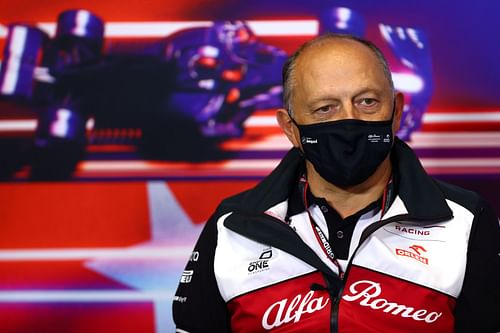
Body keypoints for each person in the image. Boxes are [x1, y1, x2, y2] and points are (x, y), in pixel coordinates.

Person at [172, 33, 500, 333]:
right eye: (324, 109)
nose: (349, 121)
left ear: (397, 110)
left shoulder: (467, 220)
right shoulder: (234, 225)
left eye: (367, 102)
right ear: (290, 127)